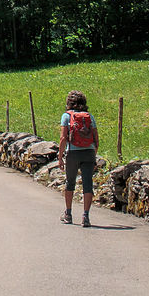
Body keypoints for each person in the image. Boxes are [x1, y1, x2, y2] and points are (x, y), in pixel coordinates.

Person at [58, 90, 99, 226]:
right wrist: (93, 154)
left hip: (73, 153)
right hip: (89, 152)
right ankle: (85, 216)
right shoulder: (89, 117)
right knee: (88, 184)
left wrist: (60, 157)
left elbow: (63, 138)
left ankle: (68, 214)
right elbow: (96, 138)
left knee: (70, 183)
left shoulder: (66, 116)